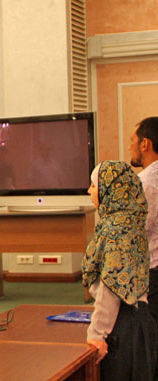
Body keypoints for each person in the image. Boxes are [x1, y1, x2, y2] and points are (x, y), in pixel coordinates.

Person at [82, 160, 157, 380]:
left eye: (94, 186)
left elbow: (112, 289)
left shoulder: (117, 232)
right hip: (139, 320)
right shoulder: (131, 223)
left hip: (122, 329)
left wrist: (97, 335)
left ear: (110, 190)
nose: (89, 191)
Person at [129, 117, 158, 327]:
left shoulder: (145, 183)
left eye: (132, 140)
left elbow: (137, 230)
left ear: (144, 144)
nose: (130, 146)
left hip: (152, 272)